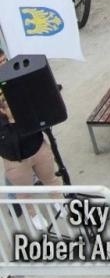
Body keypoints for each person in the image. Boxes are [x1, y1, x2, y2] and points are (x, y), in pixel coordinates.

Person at [0, 48, 62, 200]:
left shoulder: (17, 79)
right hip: (13, 154)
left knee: (50, 178)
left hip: (35, 143)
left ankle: (59, 201)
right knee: (22, 191)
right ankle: (30, 213)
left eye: (4, 60)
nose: (2, 65)